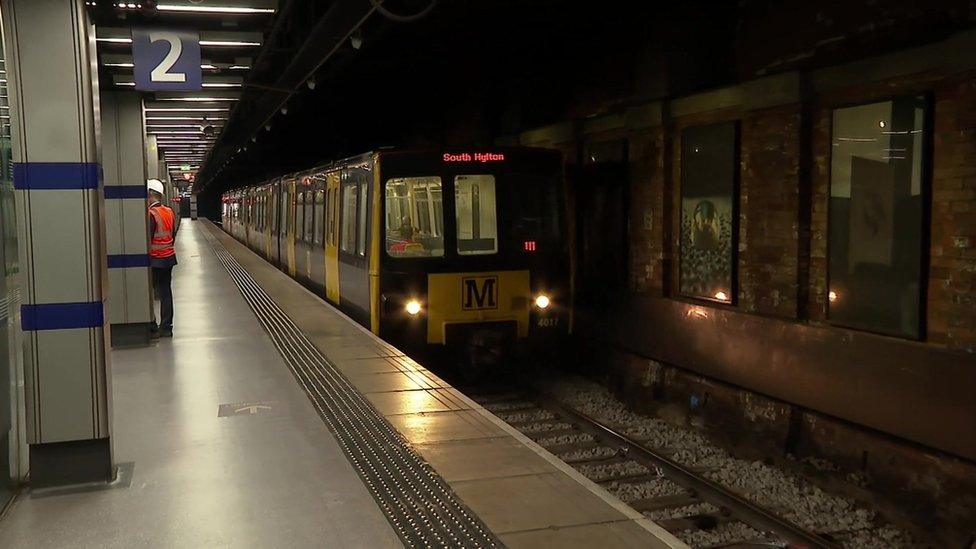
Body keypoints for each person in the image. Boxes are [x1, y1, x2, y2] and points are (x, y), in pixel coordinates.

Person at [147, 179, 180, 338]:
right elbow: (172, 235)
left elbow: (147, 239)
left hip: (155, 259)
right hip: (169, 257)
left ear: (150, 195)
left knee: (148, 292)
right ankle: (167, 326)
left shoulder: (151, 214)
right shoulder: (169, 211)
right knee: (166, 292)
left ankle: (151, 324)